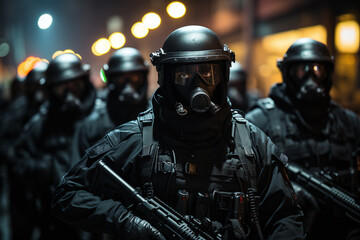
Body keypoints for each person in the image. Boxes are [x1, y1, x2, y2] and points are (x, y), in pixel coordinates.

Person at [51, 25, 305, 240]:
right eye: (184, 74)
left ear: (223, 75)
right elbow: (68, 195)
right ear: (167, 77)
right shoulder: (136, 139)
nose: (198, 84)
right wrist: (125, 221)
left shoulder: (251, 142)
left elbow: (285, 216)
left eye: (207, 73)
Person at [246, 38, 360, 240]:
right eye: (302, 70)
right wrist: (286, 192)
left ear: (328, 75)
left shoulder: (348, 122)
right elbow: (243, 182)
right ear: (288, 73)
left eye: (318, 69)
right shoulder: (260, 120)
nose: (310, 77)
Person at [13, 53, 98, 240]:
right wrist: (42, 169)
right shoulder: (40, 125)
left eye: (75, 85)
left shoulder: (99, 118)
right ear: (51, 89)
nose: (70, 92)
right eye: (62, 87)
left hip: (97, 217)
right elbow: (18, 162)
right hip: (55, 218)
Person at [0, 62, 48, 240]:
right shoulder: (17, 111)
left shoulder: (56, 111)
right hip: (23, 185)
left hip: (49, 186)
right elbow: (5, 144)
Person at [77, 47, 150, 156]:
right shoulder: (92, 125)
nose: (128, 85)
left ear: (143, 78)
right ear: (111, 79)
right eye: (120, 78)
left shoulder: (158, 116)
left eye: (134, 77)